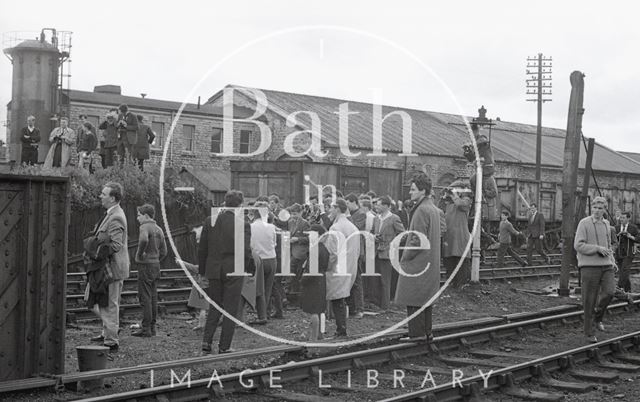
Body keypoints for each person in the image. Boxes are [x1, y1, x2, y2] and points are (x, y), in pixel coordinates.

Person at [199, 190, 253, 354]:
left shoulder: (210, 221)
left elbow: (202, 248)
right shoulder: (242, 223)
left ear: (226, 202)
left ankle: (206, 342)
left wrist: (202, 271)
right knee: (230, 307)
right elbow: (245, 250)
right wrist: (249, 269)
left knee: (214, 305)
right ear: (240, 205)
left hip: (214, 269)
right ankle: (224, 346)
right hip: (234, 269)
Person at [395, 172, 441, 343]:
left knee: (413, 298)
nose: (410, 193)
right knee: (424, 299)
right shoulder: (433, 209)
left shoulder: (421, 210)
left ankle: (416, 334)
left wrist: (405, 257)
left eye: (413, 189)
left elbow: (417, 239)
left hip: (418, 263)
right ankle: (426, 332)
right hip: (429, 262)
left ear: (423, 191)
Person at [89, 182, 130, 351]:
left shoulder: (116, 216)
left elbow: (116, 245)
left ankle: (112, 340)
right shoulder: (111, 214)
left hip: (112, 268)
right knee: (99, 301)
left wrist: (97, 250)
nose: (101, 196)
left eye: (103, 194)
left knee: (110, 304)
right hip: (107, 267)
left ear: (113, 198)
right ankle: (108, 331)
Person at [574, 196, 616, 343]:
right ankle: (589, 333)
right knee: (589, 300)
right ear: (591, 208)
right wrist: (596, 249)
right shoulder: (584, 223)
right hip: (589, 266)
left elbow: (609, 246)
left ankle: (598, 318)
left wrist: (612, 260)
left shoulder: (606, 224)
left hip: (606, 265)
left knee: (610, 292)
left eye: (600, 208)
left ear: (605, 210)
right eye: (595, 208)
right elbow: (578, 245)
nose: (597, 211)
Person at [325, 198, 360, 337]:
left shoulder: (336, 228)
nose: (329, 211)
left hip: (338, 267)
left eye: (331, 208)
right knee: (342, 297)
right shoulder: (353, 227)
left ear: (337, 209)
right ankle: (342, 327)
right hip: (350, 266)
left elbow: (332, 252)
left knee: (337, 298)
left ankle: (341, 329)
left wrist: (327, 267)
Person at [133, 204, 167, 337]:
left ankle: (145, 328)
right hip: (155, 265)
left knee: (145, 297)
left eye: (139, 215)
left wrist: (140, 254)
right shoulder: (159, 229)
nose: (137, 218)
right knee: (153, 297)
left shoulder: (144, 227)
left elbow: (143, 239)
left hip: (145, 266)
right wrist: (156, 258)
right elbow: (164, 251)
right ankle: (152, 328)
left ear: (146, 216)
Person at [374, 196, 405, 310]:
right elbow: (374, 232)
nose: (376, 206)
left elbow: (403, 234)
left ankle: (385, 305)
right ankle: (377, 303)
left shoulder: (394, 218)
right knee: (376, 279)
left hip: (387, 253)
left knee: (385, 280)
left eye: (379, 204)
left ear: (386, 206)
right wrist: (374, 237)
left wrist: (393, 244)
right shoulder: (376, 218)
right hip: (376, 252)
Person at [249, 201, 277, 325]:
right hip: (271, 258)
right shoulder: (271, 227)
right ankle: (267, 312)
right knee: (268, 288)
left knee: (259, 289)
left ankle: (262, 315)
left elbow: (249, 244)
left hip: (258, 259)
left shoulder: (251, 226)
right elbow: (275, 243)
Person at [301, 224, 329, 341]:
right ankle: (320, 334)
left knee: (313, 311)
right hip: (321, 280)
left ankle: (313, 338)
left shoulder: (315, 249)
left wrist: (303, 280)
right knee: (320, 309)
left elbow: (311, 271)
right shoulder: (324, 248)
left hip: (313, 282)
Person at [442, 181, 472, 287]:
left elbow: (461, 204)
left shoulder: (466, 200)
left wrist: (454, 195)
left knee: (461, 259)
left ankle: (461, 283)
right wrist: (446, 195)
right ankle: (452, 281)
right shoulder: (448, 203)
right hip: (450, 235)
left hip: (460, 236)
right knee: (449, 260)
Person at [345, 193, 366, 318]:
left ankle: (360, 308)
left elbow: (355, 229)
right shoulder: (351, 215)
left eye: (348, 203)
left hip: (357, 251)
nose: (347, 206)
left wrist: (347, 216)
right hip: (348, 250)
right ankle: (351, 307)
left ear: (354, 202)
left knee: (357, 280)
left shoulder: (361, 214)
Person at [615, 212, 638, 292]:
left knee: (625, 269)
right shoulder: (616, 227)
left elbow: (638, 239)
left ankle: (619, 287)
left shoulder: (633, 228)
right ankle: (628, 291)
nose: (621, 219)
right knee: (622, 271)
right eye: (621, 218)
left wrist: (630, 236)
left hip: (629, 252)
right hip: (619, 252)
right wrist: (618, 235)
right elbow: (612, 239)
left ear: (628, 218)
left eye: (623, 218)